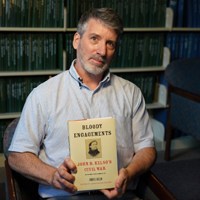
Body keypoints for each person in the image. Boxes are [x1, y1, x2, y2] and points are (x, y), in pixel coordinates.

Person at [8, 8, 156, 200]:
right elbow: (17, 156)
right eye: (94, 38)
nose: (102, 51)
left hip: (121, 195)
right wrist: (52, 176)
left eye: (110, 43)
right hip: (62, 196)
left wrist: (130, 173)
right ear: (77, 40)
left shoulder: (131, 93)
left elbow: (147, 148)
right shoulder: (43, 95)